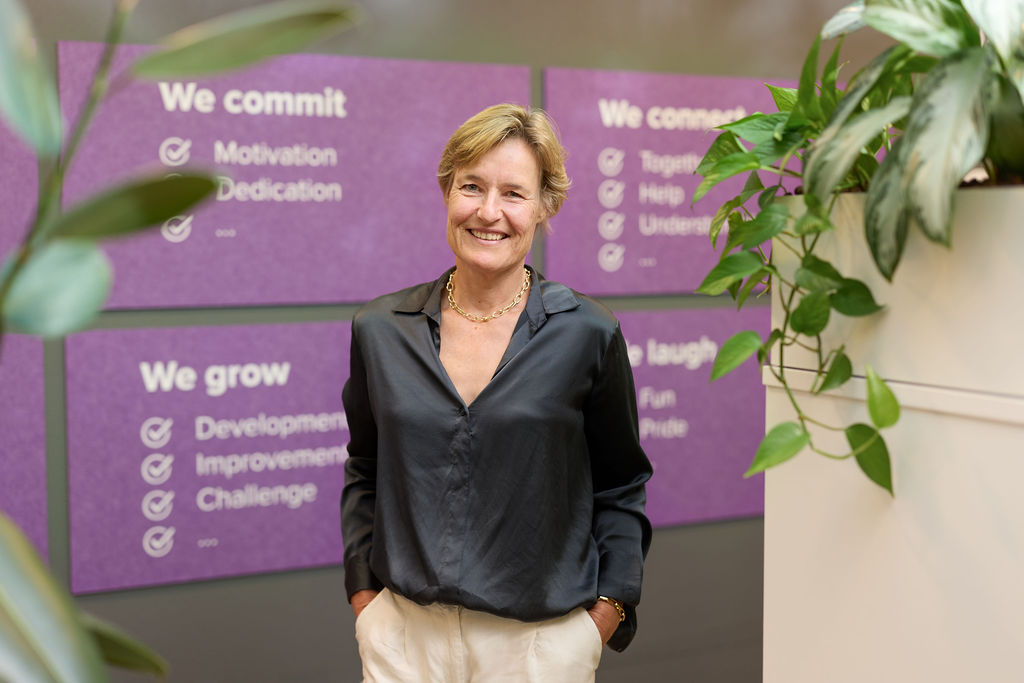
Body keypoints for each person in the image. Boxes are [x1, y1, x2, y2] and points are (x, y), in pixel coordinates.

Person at [340, 103, 652, 682]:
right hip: (404, 642)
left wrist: (604, 614)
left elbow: (621, 484)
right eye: (472, 187)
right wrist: (365, 597)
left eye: (513, 193)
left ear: (543, 206)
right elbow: (366, 467)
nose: (488, 212)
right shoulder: (381, 329)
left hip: (537, 648)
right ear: (447, 192)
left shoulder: (587, 332)